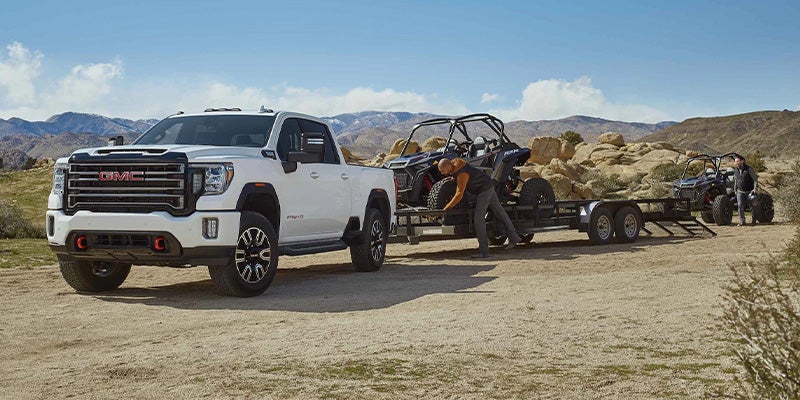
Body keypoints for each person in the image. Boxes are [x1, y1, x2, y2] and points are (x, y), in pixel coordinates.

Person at [437, 158, 522, 258]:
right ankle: (514, 237)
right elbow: (458, 174)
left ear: (448, 166)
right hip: (488, 185)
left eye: (443, 170)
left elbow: (459, 194)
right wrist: (453, 178)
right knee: (499, 212)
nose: (442, 173)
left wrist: (447, 207)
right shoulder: (456, 164)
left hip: (484, 190)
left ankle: (484, 251)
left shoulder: (461, 174)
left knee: (478, 219)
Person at [732, 154, 758, 226]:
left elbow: (755, 179)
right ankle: (742, 221)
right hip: (740, 191)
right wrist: (735, 189)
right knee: (740, 205)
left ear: (742, 161)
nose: (736, 163)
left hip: (749, 191)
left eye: (737, 161)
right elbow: (736, 180)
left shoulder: (749, 169)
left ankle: (754, 220)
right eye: (735, 162)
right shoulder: (735, 170)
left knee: (752, 206)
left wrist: (755, 189)